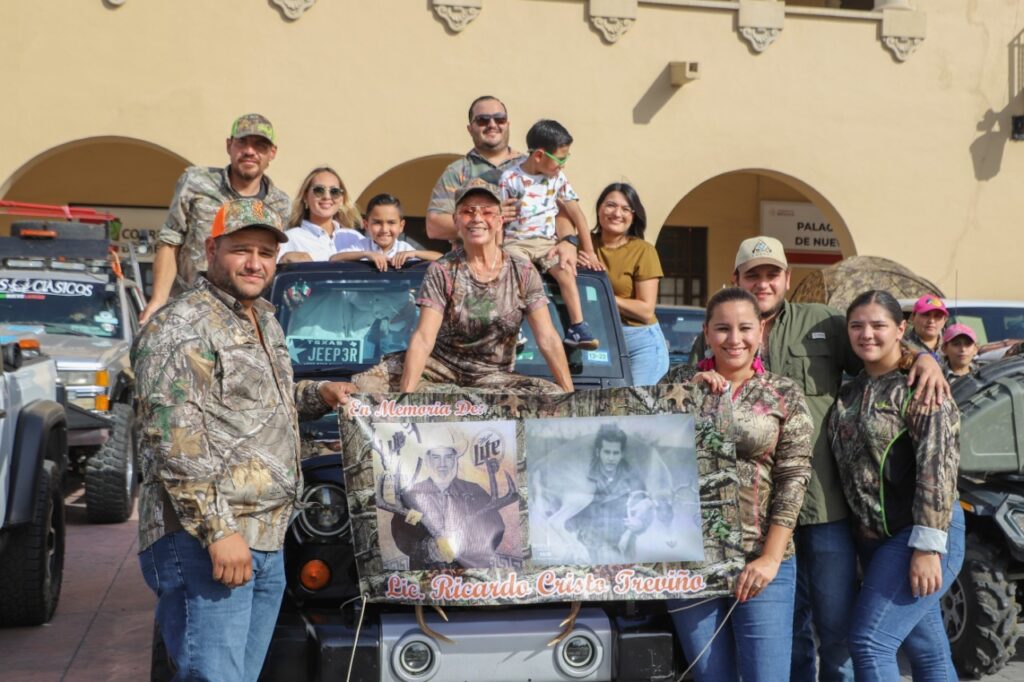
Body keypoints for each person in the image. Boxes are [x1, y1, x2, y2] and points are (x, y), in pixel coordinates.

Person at [687, 237, 949, 682]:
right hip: (754, 521)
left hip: (824, 506)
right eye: (753, 275)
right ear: (737, 280)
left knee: (838, 630)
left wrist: (923, 359)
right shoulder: (716, 334)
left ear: (788, 279)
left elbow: (879, 349)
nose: (763, 283)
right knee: (784, 632)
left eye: (772, 274)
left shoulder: (823, 321)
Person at [132, 198, 353, 681]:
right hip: (208, 539)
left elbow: (257, 402)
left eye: (267, 253)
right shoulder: (182, 326)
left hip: (265, 535)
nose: (256, 263)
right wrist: (218, 532)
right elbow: (176, 442)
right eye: (242, 250)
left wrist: (319, 393)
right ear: (211, 250)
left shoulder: (262, 319)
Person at [666, 287, 813, 681]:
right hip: (690, 558)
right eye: (723, 329)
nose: (735, 339)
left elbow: (794, 476)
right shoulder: (679, 382)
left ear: (761, 331)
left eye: (745, 328)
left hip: (762, 559)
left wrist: (769, 558)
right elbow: (647, 451)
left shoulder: (783, 394)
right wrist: (687, 397)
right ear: (707, 332)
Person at [828, 290, 965, 681]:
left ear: (900, 329)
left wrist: (926, 547)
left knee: (871, 642)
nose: (866, 334)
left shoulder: (921, 386)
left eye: (878, 325)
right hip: (874, 538)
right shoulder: (850, 389)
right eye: (857, 325)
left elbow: (938, 466)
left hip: (921, 535)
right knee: (927, 649)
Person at [353, 178, 573, 395]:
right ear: (456, 220)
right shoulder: (443, 270)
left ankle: (456, 402)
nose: (477, 219)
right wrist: (405, 400)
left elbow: (547, 337)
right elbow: (423, 338)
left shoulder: (523, 271)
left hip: (491, 378)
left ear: (499, 221)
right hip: (438, 371)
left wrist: (569, 395)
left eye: (487, 212)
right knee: (365, 385)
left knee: (551, 394)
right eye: (468, 212)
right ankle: (449, 401)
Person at [140, 113, 290, 323]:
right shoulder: (195, 183)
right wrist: (158, 301)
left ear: (272, 153)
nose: (249, 151)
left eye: (259, 146)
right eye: (242, 143)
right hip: (188, 310)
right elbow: (171, 240)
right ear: (229, 146)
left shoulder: (280, 204)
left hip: (244, 316)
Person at [499, 119, 598, 349]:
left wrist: (589, 251)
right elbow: (500, 220)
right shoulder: (511, 179)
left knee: (565, 271)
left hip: (546, 243)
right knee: (523, 276)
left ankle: (577, 326)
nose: (563, 165)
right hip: (516, 242)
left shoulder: (557, 179)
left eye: (566, 158)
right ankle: (513, 327)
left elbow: (577, 215)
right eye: (560, 159)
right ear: (539, 156)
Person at [590, 183, 668, 384]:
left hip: (639, 341)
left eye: (626, 209)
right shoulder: (585, 244)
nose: (617, 213)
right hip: (598, 339)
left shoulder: (643, 251)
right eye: (610, 205)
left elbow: (645, 310)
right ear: (599, 208)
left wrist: (603, 296)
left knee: (636, 408)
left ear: (634, 216)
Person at [390, 440, 506, 570]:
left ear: (456, 460)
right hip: (425, 576)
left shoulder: (475, 491)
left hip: (470, 575)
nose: (442, 464)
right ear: (427, 461)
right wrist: (427, 548)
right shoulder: (411, 495)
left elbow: (495, 526)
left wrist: (463, 545)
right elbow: (400, 532)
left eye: (448, 456)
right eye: (436, 457)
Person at [425, 96, 525, 242]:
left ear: (508, 124)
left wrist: (569, 242)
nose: (492, 124)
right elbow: (435, 226)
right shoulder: (457, 171)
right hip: (472, 261)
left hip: (529, 259)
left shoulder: (531, 166)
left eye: (499, 119)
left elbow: (562, 212)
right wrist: (490, 215)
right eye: (483, 120)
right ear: (470, 129)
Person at [562, 423, 651, 564]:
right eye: (607, 452)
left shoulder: (633, 480)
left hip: (620, 549)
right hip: (588, 550)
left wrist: (640, 524)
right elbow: (569, 518)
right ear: (598, 452)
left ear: (622, 454)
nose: (611, 458)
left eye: (615, 453)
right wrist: (573, 540)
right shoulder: (585, 478)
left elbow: (647, 510)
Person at [331, 193, 442, 271]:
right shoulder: (362, 246)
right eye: (377, 223)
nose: (384, 229)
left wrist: (415, 253)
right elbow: (333, 259)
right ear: (366, 225)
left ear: (401, 226)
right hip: (362, 305)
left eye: (391, 222)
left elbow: (442, 259)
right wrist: (367, 254)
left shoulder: (404, 250)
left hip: (398, 305)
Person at [278, 166, 362, 263]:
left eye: (334, 191)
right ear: (305, 196)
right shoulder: (289, 239)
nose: (327, 197)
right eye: (319, 190)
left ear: (341, 199)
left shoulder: (355, 238)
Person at [905, 294, 949, 359]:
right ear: (913, 317)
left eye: (937, 316)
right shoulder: (901, 346)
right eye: (926, 315)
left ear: (944, 321)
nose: (931, 320)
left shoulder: (951, 348)